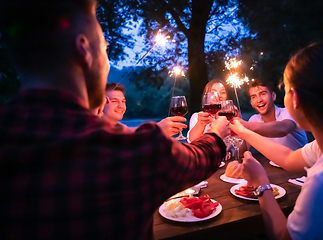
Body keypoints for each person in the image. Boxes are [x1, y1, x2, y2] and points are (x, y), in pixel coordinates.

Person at [0, 1, 230, 239]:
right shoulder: (132, 152)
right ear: (84, 50)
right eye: (103, 45)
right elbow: (199, 159)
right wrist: (216, 134)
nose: (107, 54)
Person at [230, 42, 323, 239]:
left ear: (295, 98)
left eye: (286, 88)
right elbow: (289, 158)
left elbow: (284, 236)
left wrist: (260, 183)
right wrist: (243, 131)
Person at [236, 79, 308, 156]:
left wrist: (248, 126)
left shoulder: (287, 112)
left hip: (303, 165)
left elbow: (283, 129)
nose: (259, 100)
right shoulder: (254, 119)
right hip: (273, 166)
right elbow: (241, 152)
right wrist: (236, 127)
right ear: (251, 103)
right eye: (254, 97)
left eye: (263, 94)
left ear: (273, 96)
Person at [103, 82, 188, 137]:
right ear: (101, 102)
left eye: (123, 101)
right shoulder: (96, 131)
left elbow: (131, 132)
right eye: (114, 101)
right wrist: (157, 129)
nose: (121, 106)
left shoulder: (119, 126)